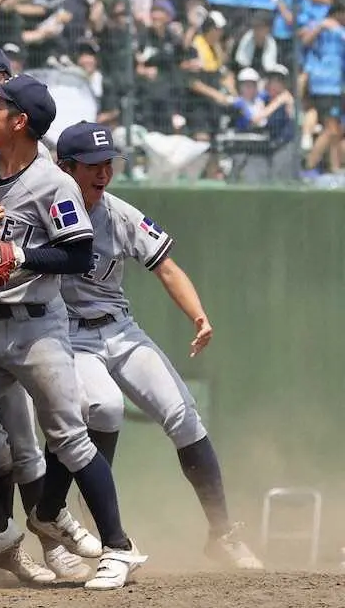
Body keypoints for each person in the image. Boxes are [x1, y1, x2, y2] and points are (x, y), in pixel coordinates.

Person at [0, 74, 147, 591]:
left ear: (20, 121)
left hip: (37, 329)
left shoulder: (54, 183)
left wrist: (17, 254)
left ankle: (119, 547)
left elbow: (77, 254)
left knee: (69, 438)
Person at [55, 121, 263, 571]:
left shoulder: (118, 214)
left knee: (183, 415)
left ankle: (222, 533)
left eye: (108, 163)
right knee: (104, 408)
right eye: (92, 165)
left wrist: (199, 316)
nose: (103, 173)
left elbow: (166, 267)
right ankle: (104, 529)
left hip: (119, 328)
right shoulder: (43, 209)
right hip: (68, 335)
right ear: (65, 167)